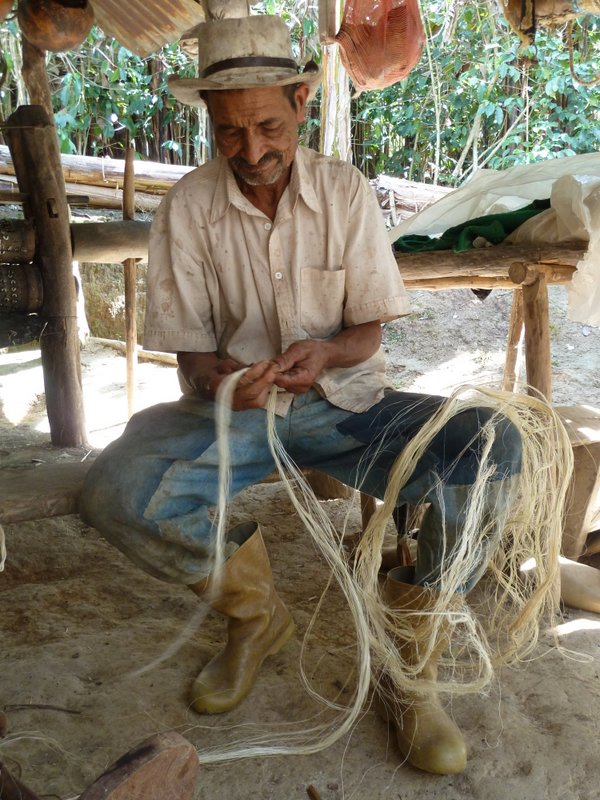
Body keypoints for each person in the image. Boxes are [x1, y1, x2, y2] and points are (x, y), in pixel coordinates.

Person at [80, 14, 521, 776]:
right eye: (229, 133)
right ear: (210, 125)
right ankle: (256, 620)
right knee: (116, 488)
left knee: (493, 447)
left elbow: (367, 336)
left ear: (303, 101)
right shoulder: (188, 207)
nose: (251, 151)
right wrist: (221, 380)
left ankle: (405, 661)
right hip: (239, 415)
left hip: (351, 409)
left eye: (268, 125)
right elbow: (191, 360)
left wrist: (324, 354)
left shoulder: (346, 192)